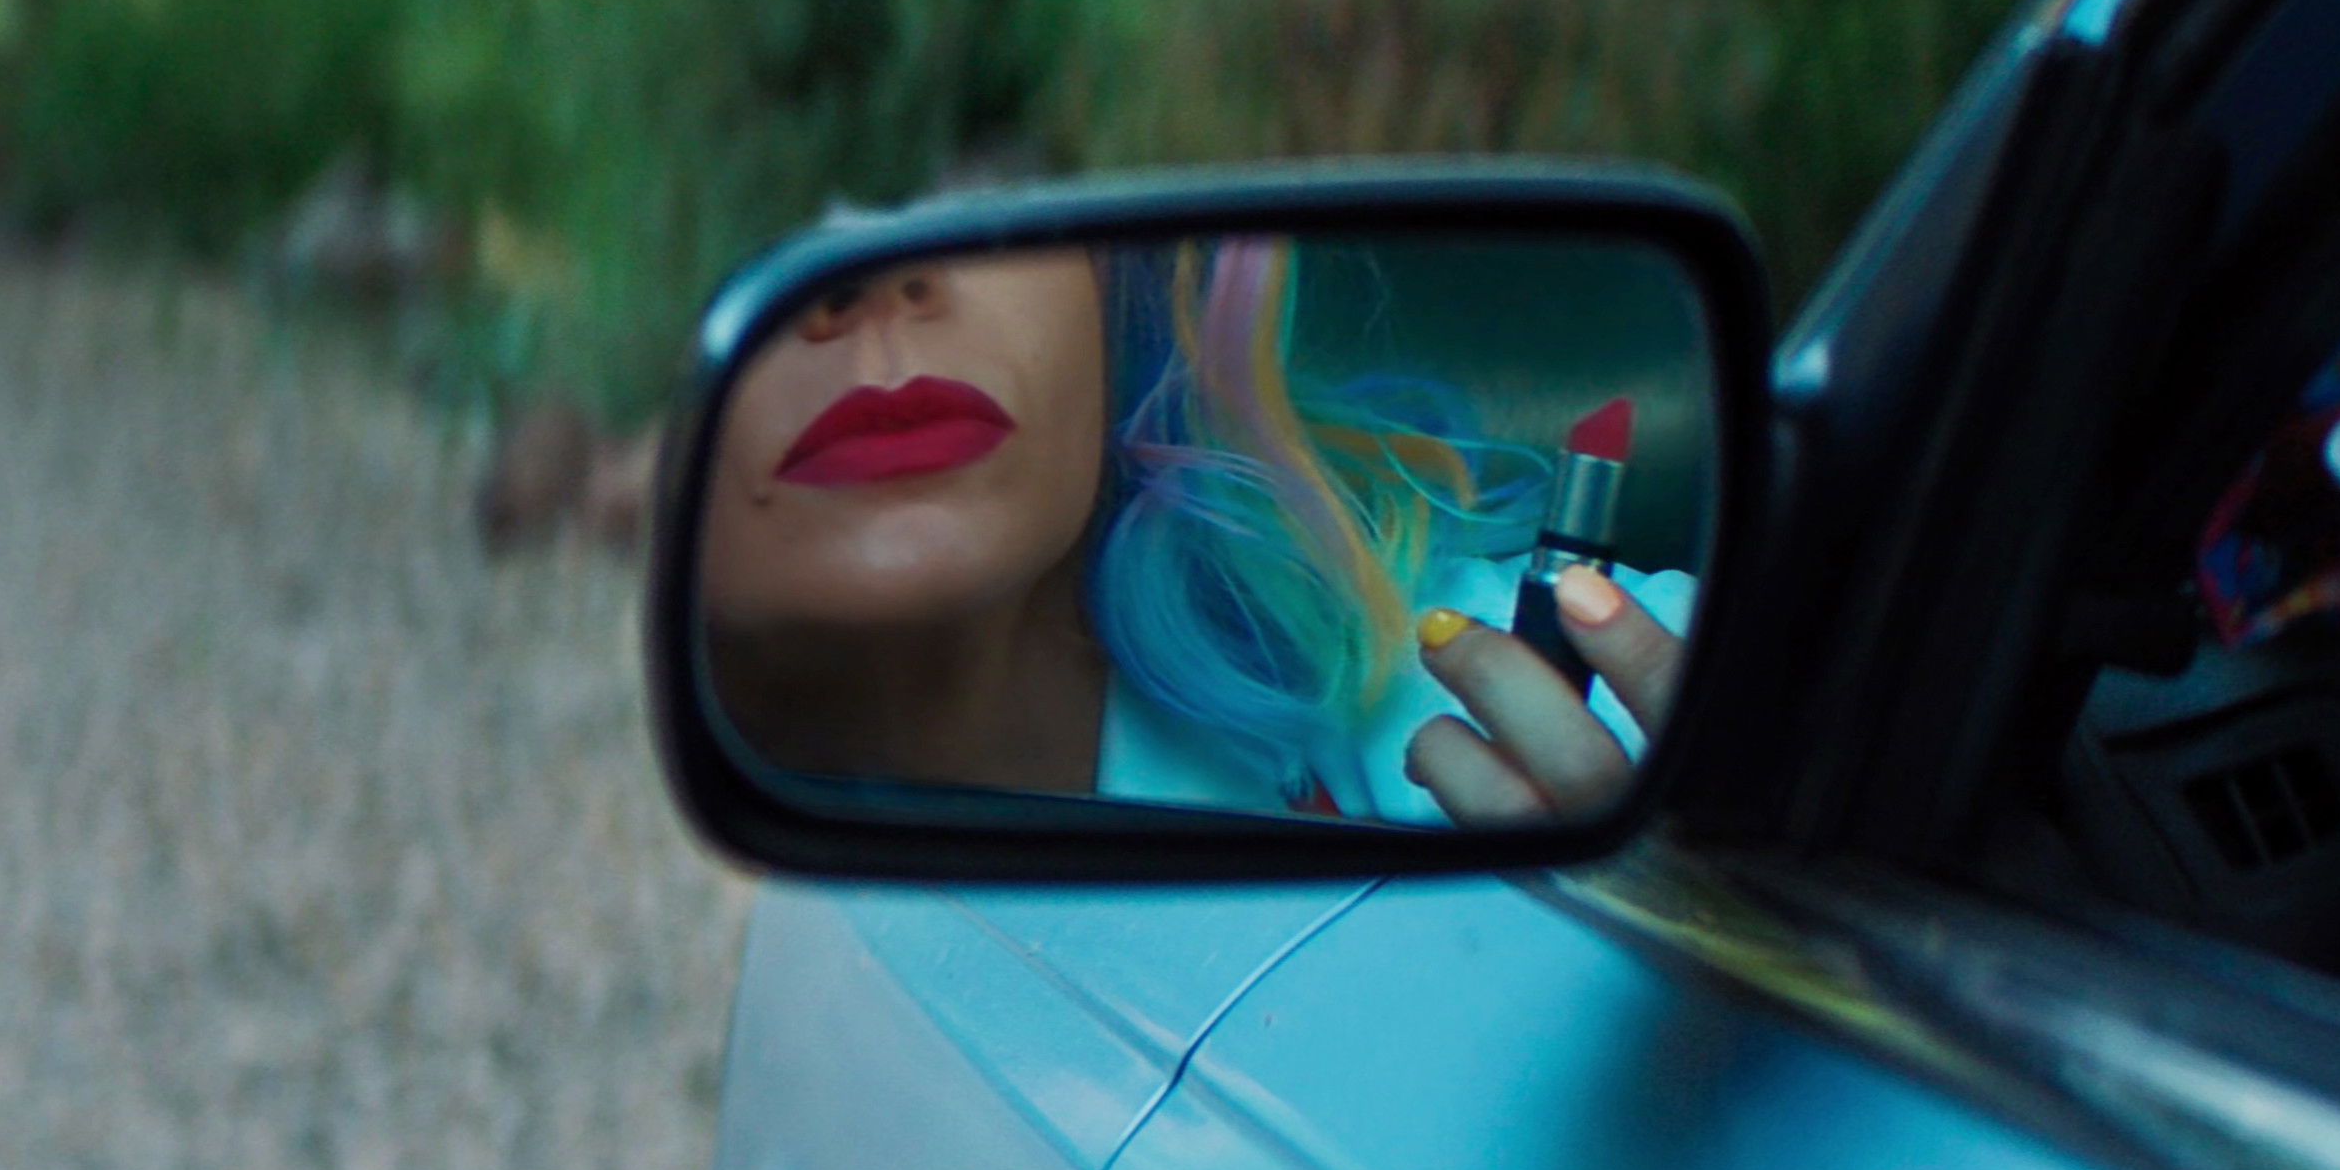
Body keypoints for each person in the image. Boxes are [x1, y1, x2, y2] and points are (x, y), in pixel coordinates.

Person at [694, 233, 1695, 826]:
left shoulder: (1437, 674)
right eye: (758, 225)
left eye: (985, 186)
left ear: (1115, 291)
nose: (880, 274)